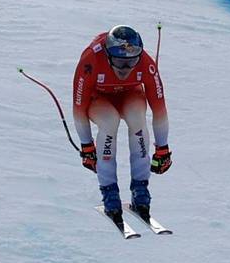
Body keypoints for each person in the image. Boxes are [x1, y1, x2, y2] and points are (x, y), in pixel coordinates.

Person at [72, 25, 171, 224]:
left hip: (130, 94)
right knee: (109, 122)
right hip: (99, 98)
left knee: (138, 120)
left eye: (131, 62)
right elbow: (79, 108)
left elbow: (159, 109)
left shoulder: (146, 63)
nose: (125, 69)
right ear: (108, 56)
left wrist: (162, 148)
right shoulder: (91, 60)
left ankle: (140, 189)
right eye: (119, 61)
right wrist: (87, 145)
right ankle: (109, 192)